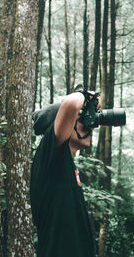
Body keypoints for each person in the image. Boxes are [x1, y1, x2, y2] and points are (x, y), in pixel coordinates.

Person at [30, 90, 99, 257]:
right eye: (83, 121)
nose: (91, 126)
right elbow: (71, 104)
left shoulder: (64, 164)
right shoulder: (50, 156)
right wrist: (88, 95)